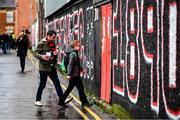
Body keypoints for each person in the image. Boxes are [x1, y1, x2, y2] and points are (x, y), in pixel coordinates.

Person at [34, 30, 72, 107]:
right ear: (48, 36)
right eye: (52, 37)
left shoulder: (53, 43)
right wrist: (42, 56)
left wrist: (55, 54)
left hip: (52, 67)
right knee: (42, 84)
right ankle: (37, 100)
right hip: (44, 68)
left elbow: (53, 53)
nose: (54, 39)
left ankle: (62, 99)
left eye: (54, 37)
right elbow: (35, 53)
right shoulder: (41, 43)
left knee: (57, 83)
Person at [58, 40, 89, 107]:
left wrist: (81, 69)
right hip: (74, 75)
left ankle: (84, 102)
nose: (79, 47)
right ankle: (84, 102)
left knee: (78, 87)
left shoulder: (73, 52)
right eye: (78, 45)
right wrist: (69, 74)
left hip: (74, 74)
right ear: (75, 46)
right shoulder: (73, 54)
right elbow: (70, 65)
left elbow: (75, 65)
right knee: (75, 88)